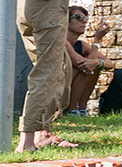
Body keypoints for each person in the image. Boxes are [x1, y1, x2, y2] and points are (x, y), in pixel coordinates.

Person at [15, 0, 78, 153]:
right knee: (46, 72)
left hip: (27, 8)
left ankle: (44, 133)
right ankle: (26, 140)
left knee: (61, 63)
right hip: (47, 8)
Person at [65, 5, 113, 115]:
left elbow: (110, 64)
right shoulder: (63, 42)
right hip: (60, 88)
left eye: (85, 19)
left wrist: (98, 62)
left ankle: (81, 109)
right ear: (66, 22)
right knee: (84, 67)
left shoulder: (81, 45)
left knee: (95, 66)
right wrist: (96, 39)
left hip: (72, 85)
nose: (84, 22)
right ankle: (71, 109)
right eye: (78, 17)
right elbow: (81, 64)